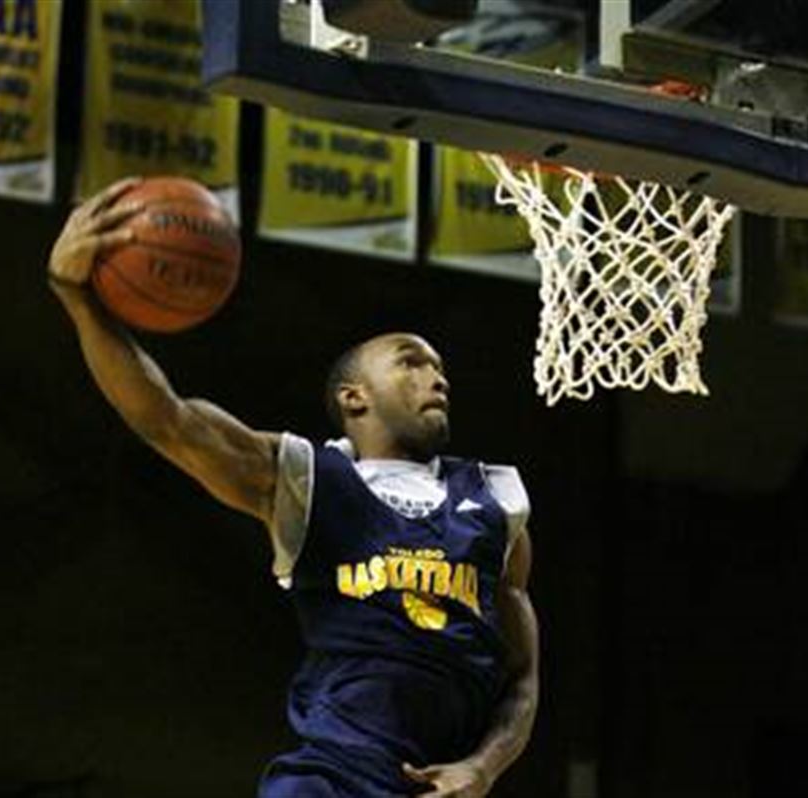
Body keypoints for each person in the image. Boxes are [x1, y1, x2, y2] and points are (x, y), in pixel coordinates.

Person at [47, 179, 539, 798]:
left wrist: (484, 767)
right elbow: (167, 420)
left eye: (439, 368)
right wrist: (77, 298)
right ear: (354, 398)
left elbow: (521, 678)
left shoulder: (495, 501)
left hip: (437, 787)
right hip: (331, 777)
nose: (435, 378)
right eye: (410, 362)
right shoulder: (311, 482)